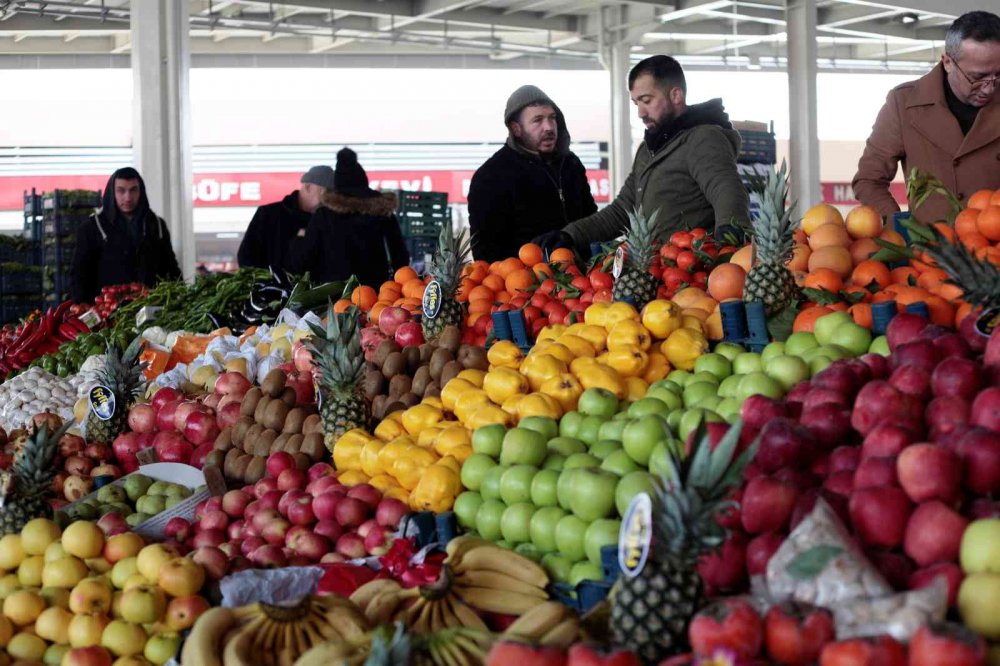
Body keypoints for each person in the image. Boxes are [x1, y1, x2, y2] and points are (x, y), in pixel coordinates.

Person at [535, 55, 749, 255]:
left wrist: (730, 235)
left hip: (694, 273)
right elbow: (623, 210)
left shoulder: (702, 138)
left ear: (676, 95)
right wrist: (571, 235)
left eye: (647, 100)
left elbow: (725, 188)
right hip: (658, 271)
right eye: (637, 103)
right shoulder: (649, 150)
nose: (640, 113)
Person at [854, 11, 1000, 224]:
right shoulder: (902, 103)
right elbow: (868, 180)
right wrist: (901, 229)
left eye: (998, 74)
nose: (989, 88)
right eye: (977, 77)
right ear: (947, 62)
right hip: (926, 251)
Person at [467, 85, 597, 261]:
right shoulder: (491, 176)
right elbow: (485, 251)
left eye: (552, 118)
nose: (549, 127)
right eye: (538, 120)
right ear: (516, 129)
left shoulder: (571, 164)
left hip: (583, 279)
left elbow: (592, 219)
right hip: (523, 282)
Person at [291, 148, 409, 287]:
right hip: (376, 297)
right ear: (364, 183)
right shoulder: (383, 214)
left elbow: (303, 263)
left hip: (331, 298)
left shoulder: (323, 216)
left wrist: (298, 240)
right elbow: (401, 260)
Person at [70, 167, 181, 304]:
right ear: (112, 193)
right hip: (108, 314)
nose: (128, 197)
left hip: (153, 310)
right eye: (121, 191)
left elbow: (171, 270)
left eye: (133, 190)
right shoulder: (92, 228)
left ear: (141, 192)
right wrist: (83, 309)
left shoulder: (157, 226)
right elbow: (79, 275)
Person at [237, 166, 332, 272]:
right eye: (324, 191)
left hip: (313, 288)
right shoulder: (268, 215)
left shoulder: (328, 221)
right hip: (270, 286)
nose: (328, 198)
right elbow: (246, 257)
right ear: (308, 187)